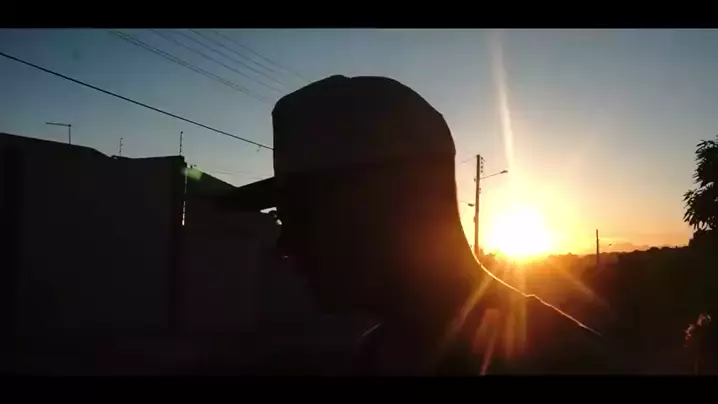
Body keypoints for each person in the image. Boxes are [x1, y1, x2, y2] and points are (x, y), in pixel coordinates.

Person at [233, 75, 621, 375]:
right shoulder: (375, 354)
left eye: (303, 216)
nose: (285, 244)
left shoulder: (570, 363)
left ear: (397, 207)